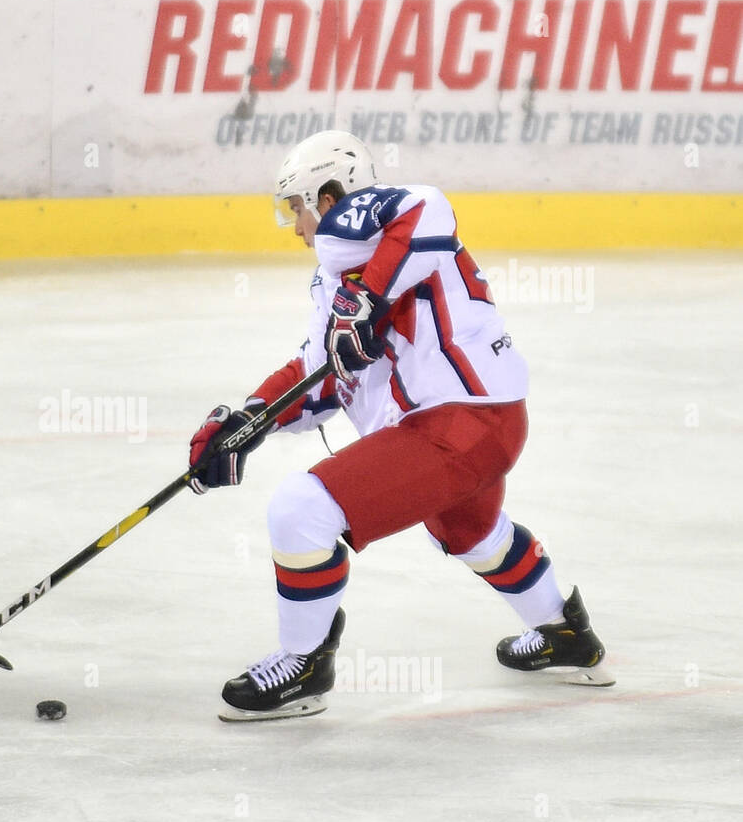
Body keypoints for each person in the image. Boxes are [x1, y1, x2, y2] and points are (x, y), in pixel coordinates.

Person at [188, 130, 612, 721]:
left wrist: (365, 297)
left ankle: (302, 665)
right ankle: (564, 634)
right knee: (472, 534)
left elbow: (425, 204)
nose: (295, 225)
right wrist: (246, 420)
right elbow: (320, 375)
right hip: (482, 426)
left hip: (458, 425)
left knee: (299, 511)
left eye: (298, 207)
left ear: (331, 195)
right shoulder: (342, 276)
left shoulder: (377, 240)